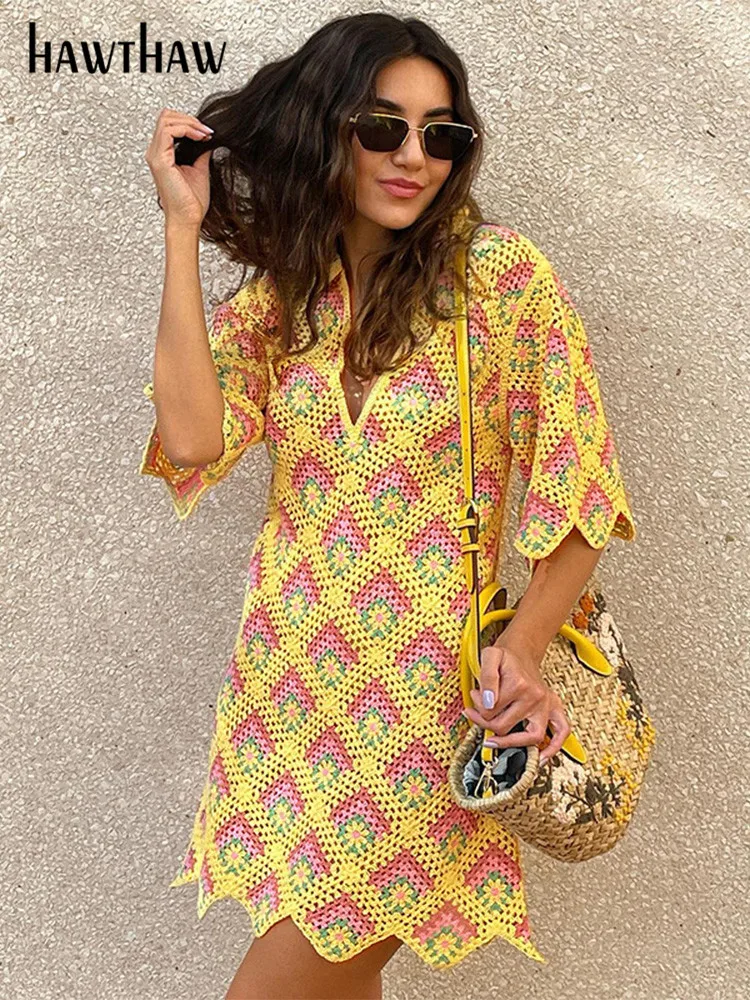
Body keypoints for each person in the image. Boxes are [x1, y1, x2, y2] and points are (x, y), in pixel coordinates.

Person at [140, 12, 636, 999]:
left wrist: (525, 645)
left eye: (440, 135)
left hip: (422, 714)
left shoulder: (500, 283)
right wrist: (181, 228)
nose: (414, 156)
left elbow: (582, 488)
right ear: (327, 128)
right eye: (382, 127)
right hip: (288, 700)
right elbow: (193, 437)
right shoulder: (291, 297)